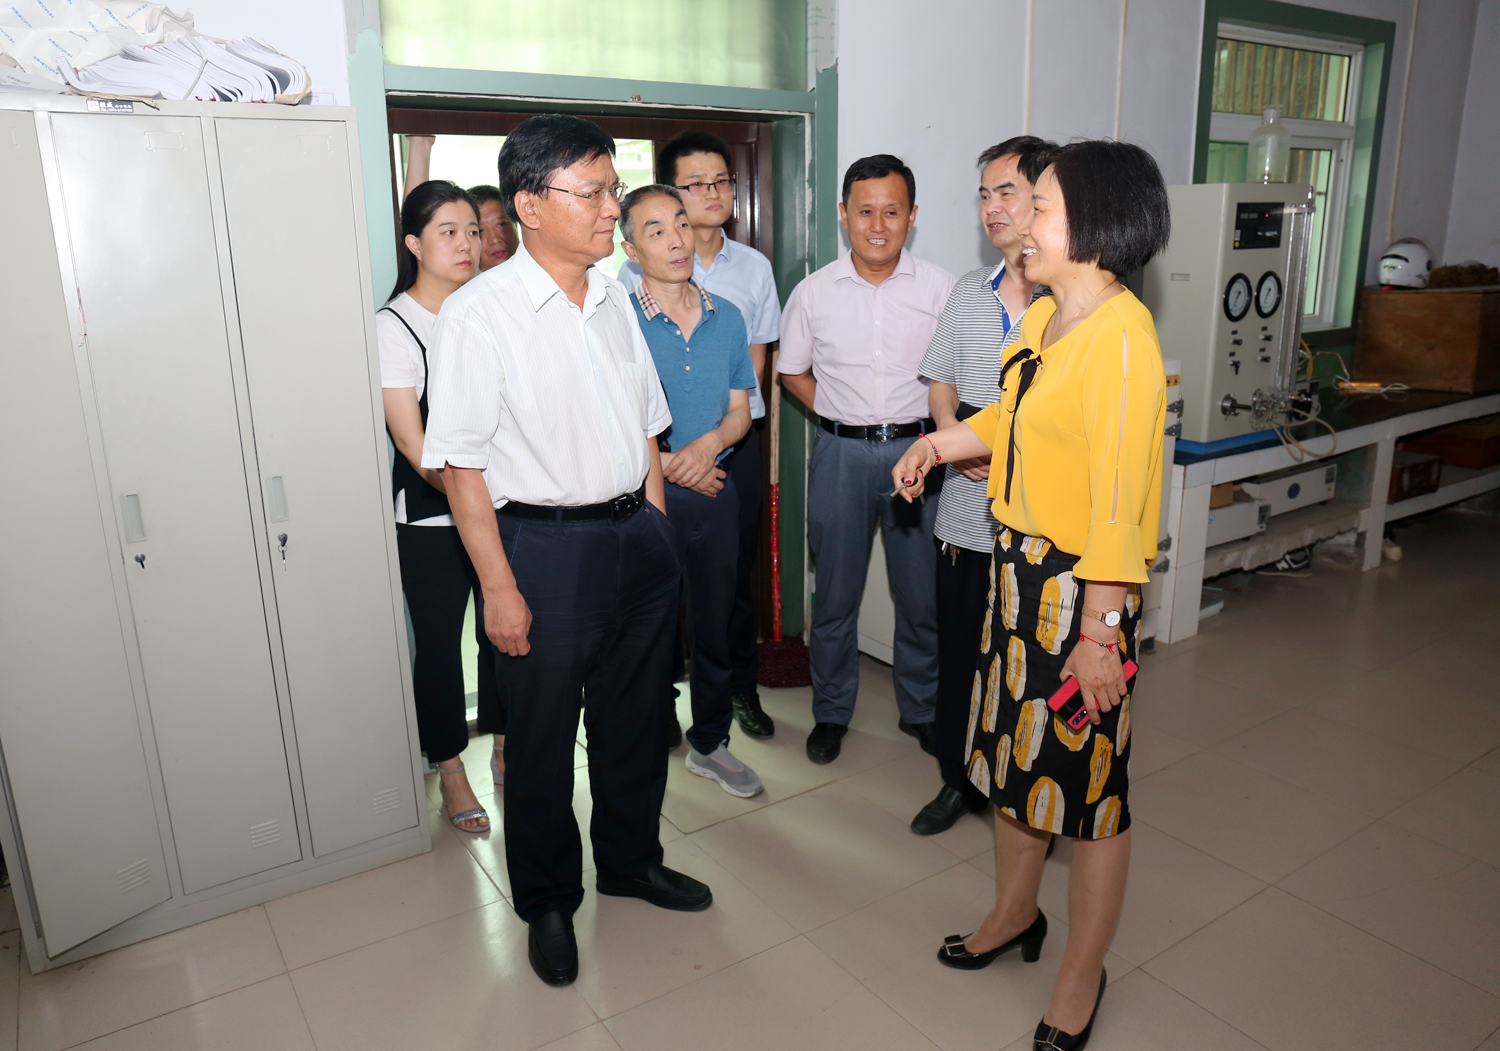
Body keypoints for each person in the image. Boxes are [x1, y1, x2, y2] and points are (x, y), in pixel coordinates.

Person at [890, 140, 1170, 1051]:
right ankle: (1016, 912)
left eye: (1040, 205)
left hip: (1085, 588)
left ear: (1096, 224)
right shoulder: (1045, 317)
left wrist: (1101, 632)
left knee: (1090, 794)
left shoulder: (1122, 340)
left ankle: (1082, 975)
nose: (1019, 219)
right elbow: (1010, 415)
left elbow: (1121, 509)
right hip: (1018, 573)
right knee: (1013, 762)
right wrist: (938, 445)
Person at [422, 115, 712, 989]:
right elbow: (462, 467)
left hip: (636, 537)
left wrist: (655, 527)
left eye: (611, 189)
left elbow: (646, 426)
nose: (611, 208)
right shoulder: (479, 314)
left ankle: (630, 859)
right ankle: (547, 899)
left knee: (635, 721)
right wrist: (498, 587)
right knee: (543, 738)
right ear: (531, 205)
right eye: (593, 193)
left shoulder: (616, 296)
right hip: (542, 549)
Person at [777, 155, 956, 765]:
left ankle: (922, 709)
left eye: (892, 211)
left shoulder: (942, 290)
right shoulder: (813, 292)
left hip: (920, 456)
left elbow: (957, 375)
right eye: (865, 211)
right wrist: (839, 414)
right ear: (843, 215)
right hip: (841, 456)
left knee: (921, 596)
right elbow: (792, 372)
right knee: (834, 597)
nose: (878, 225)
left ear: (912, 216)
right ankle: (831, 712)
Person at [910, 136, 1057, 837]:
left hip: (1041, 530)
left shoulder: (1071, 303)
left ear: (1047, 201)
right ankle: (956, 779)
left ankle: (1022, 795)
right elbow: (940, 377)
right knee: (961, 655)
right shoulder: (969, 291)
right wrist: (949, 433)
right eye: (985, 194)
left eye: (1008, 192)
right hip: (966, 519)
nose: (992, 207)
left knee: (1029, 669)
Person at [620, 130, 783, 741]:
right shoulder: (615, 316)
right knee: (650, 614)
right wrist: (670, 464)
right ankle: (654, 718)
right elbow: (610, 420)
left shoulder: (728, 313)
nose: (675, 240)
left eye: (680, 226)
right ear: (630, 249)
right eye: (656, 231)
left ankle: (712, 733)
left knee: (718, 611)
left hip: (718, 479)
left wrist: (707, 448)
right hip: (644, 490)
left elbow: (744, 405)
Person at [377, 180, 504, 833]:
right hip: (431, 516)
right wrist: (478, 493)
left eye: (473, 231)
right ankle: (451, 769)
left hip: (502, 507)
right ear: (414, 244)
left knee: (504, 635)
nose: (466, 244)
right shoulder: (395, 326)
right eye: (448, 232)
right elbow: (412, 440)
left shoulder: (485, 312)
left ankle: (506, 744)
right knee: (438, 646)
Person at [400, 134, 519, 270]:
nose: (495, 240)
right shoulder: (461, 278)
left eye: (502, 224)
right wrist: (420, 144)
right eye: (478, 231)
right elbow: (417, 218)